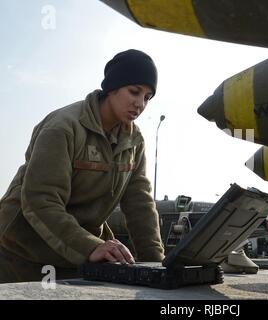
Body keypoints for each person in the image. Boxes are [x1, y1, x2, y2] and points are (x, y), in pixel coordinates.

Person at [0, 49, 165, 283]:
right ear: (112, 88)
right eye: (134, 92)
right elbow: (40, 200)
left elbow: (140, 203)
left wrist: (157, 265)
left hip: (78, 255)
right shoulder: (63, 127)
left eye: (147, 97)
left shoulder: (134, 141)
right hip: (23, 254)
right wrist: (89, 247)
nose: (140, 104)